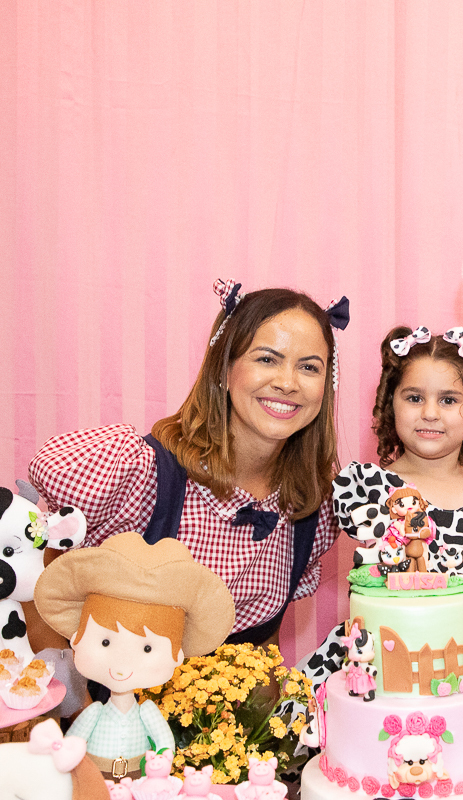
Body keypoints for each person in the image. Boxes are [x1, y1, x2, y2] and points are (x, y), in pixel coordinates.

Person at [29, 281, 346, 646]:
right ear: (224, 368)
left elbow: (262, 645)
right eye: (266, 359)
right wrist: (70, 684)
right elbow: (39, 591)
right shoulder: (140, 475)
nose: (288, 383)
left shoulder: (313, 506)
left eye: (309, 367)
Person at [303, 325, 463, 685]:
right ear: (390, 406)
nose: (430, 412)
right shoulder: (370, 488)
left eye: (448, 400)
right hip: (385, 652)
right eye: (414, 398)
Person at [32, 532, 235, 778]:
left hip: (139, 777)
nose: (122, 664)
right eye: (105, 642)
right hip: (96, 778)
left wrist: (162, 761)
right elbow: (73, 742)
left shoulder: (147, 712)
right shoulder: (93, 713)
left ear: (177, 657)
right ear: (76, 640)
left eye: (147, 648)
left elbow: (164, 742)